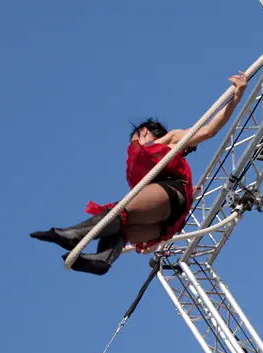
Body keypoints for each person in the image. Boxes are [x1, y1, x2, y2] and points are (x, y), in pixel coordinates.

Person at [30, 72, 248, 275]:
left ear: (143, 132)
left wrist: (236, 97)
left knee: (118, 212)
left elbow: (209, 130)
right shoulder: (144, 169)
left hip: (171, 195)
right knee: (120, 228)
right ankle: (102, 260)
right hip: (164, 218)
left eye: (134, 139)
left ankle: (72, 235)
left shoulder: (171, 140)